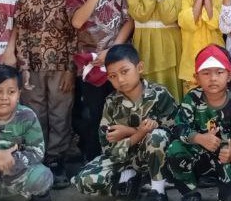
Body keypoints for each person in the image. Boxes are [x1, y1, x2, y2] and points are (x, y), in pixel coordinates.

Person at [72, 44, 177, 201]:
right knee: (84, 180)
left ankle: (158, 191)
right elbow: (109, 148)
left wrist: (130, 132)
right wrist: (139, 133)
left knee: (157, 136)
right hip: (124, 159)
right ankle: (130, 180)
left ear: (139, 68)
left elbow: (174, 133)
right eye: (113, 76)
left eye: (124, 71)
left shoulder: (159, 94)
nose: (120, 80)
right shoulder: (111, 103)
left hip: (156, 159)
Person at [14, 0, 76, 189]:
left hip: (61, 68)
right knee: (34, 112)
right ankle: (36, 157)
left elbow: (74, 37)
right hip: (32, 67)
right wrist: (23, 67)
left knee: (60, 113)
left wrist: (70, 70)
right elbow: (21, 33)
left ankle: (55, 159)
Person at [66, 0, 132, 161]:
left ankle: (123, 159)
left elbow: (129, 20)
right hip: (90, 62)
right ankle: (95, 160)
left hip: (118, 57)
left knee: (123, 108)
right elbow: (77, 21)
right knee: (94, 112)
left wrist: (113, 50)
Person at [165, 44, 231, 201]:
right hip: (199, 155)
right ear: (197, 78)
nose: (213, 78)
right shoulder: (192, 98)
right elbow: (179, 127)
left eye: (219, 72)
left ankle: (225, 189)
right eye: (206, 73)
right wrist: (199, 138)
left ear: (229, 76)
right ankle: (190, 193)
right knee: (174, 148)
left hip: (226, 160)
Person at [0, 64, 53, 201]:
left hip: (16, 172)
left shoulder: (27, 116)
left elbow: (37, 151)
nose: (5, 97)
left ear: (18, 95)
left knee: (42, 175)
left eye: (11, 92)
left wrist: (12, 161)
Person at [126, 0, 184, 101]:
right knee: (147, 89)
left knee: (171, 90)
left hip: (171, 43)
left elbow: (169, 17)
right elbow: (140, 15)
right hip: (145, 43)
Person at [178, 0, 224, 93]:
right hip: (191, 65)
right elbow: (188, 22)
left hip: (216, 64)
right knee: (192, 101)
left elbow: (214, 22)